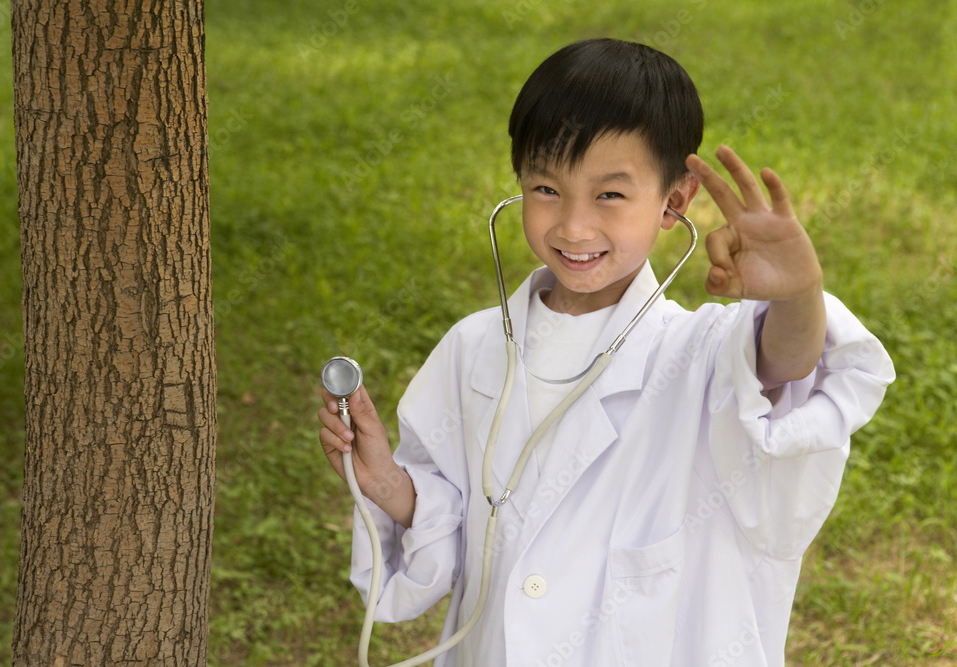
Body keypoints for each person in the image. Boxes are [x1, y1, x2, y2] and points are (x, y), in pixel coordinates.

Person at [317, 38, 894, 666]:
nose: (573, 226)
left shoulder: (699, 353)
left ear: (675, 201)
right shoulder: (474, 349)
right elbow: (456, 526)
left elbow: (784, 367)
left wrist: (799, 296)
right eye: (546, 188)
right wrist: (388, 484)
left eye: (610, 196)